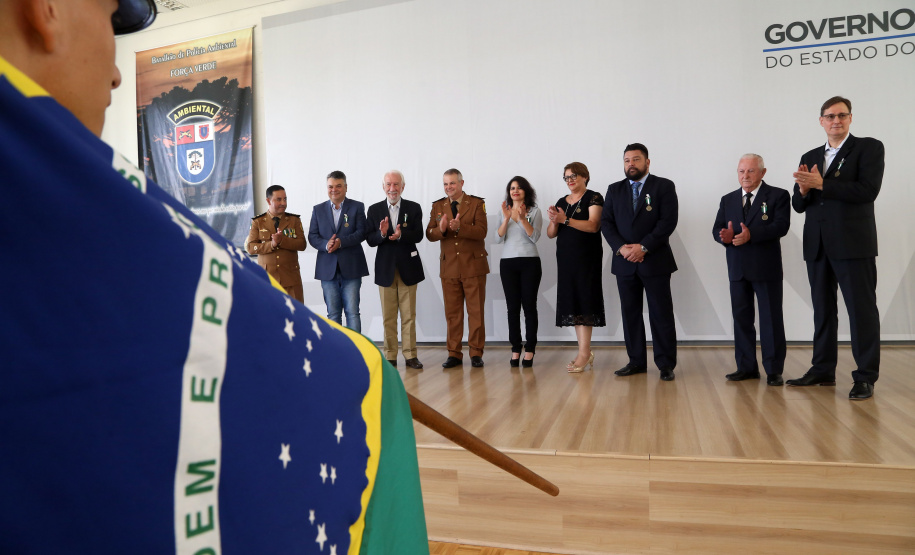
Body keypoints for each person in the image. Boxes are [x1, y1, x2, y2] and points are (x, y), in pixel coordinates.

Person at [0, 2, 429, 552]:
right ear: (47, 9)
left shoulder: (303, 217)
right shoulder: (103, 220)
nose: (115, 72)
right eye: (109, 17)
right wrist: (368, 375)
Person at [788, 96, 884, 400]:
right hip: (817, 245)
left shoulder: (869, 147)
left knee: (861, 312)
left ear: (850, 118)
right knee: (823, 311)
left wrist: (821, 185)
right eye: (829, 116)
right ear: (821, 121)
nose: (836, 121)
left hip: (853, 244)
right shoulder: (811, 154)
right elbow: (799, 205)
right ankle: (822, 369)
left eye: (842, 115)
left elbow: (868, 191)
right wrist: (803, 191)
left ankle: (865, 376)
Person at [600, 143, 679, 381]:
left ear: (647, 162)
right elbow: (607, 223)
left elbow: (668, 221)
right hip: (625, 262)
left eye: (636, 159)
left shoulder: (663, 186)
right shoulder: (614, 190)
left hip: (655, 260)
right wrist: (622, 248)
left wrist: (643, 247)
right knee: (630, 314)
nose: (631, 164)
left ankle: (666, 365)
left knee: (660, 313)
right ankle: (636, 361)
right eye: (627, 160)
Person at [713, 154, 790, 386]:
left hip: (766, 268)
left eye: (750, 171)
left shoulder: (778, 195)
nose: (745, 176)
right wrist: (724, 237)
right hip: (737, 269)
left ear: (763, 173)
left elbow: (781, 226)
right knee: (742, 319)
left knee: (770, 319)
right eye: (741, 171)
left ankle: (774, 370)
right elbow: (718, 228)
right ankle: (746, 367)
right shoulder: (728, 199)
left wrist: (751, 235)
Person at [425, 168, 489, 368]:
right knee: (453, 314)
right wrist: (442, 229)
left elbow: (482, 231)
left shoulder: (477, 203)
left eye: (452, 183)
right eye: (445, 184)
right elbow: (429, 233)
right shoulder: (438, 206)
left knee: (475, 312)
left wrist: (460, 227)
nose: (448, 187)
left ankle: (476, 353)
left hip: (473, 265)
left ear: (462, 183)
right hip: (449, 267)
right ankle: (454, 353)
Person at [546, 162, 604, 373]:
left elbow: (593, 225)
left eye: (574, 176)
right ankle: (584, 352)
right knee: (573, 304)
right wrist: (554, 220)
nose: (570, 180)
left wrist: (565, 219)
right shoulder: (562, 201)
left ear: (585, 177)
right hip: (566, 260)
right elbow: (551, 233)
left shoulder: (594, 197)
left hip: (587, 259)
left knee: (585, 303)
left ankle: (584, 352)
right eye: (566, 177)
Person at [365, 170, 426, 369]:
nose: (393, 188)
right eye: (389, 185)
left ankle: (410, 355)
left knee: (409, 316)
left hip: (409, 268)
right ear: (383, 187)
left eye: (396, 184)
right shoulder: (374, 210)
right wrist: (381, 234)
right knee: (388, 316)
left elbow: (418, 235)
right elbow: (370, 240)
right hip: (385, 270)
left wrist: (401, 235)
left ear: (403, 187)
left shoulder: (413, 207)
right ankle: (390, 356)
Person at [307, 171, 370, 333]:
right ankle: (338, 354)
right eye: (330, 186)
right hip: (327, 270)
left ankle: (357, 353)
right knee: (333, 314)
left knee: (352, 313)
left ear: (346, 187)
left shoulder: (357, 207)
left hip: (352, 268)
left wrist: (341, 242)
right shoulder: (318, 209)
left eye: (338, 186)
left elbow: (362, 233)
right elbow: (312, 236)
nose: (334, 190)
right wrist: (325, 245)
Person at [495, 176, 543, 367]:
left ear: (526, 191)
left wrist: (523, 219)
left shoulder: (535, 211)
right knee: (512, 308)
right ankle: (516, 348)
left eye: (519, 188)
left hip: (530, 262)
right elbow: (498, 238)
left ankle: (530, 349)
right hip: (508, 263)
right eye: (512, 188)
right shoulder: (504, 211)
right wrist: (507, 218)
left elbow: (535, 237)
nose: (515, 191)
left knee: (529, 307)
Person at [245, 185, 306, 301]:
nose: (283, 203)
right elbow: (251, 248)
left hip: (291, 279)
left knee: (295, 317)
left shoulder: (294, 220)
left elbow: (302, 244)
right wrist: (272, 244)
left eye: (285, 199)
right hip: (267, 280)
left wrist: (282, 240)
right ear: (268, 201)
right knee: (271, 317)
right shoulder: (258, 222)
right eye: (279, 199)